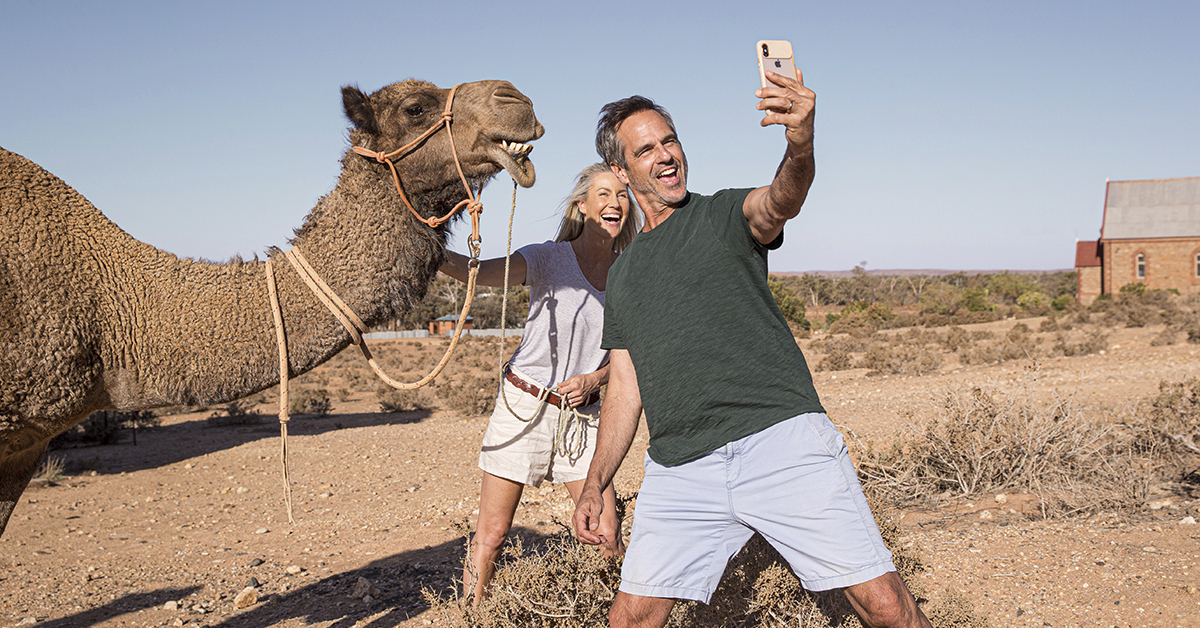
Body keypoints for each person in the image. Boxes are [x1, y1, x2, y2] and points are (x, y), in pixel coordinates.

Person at [571, 72, 932, 628]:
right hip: (680, 464)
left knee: (885, 605)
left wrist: (800, 142)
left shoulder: (723, 215)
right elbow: (624, 386)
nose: (666, 157)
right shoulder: (623, 276)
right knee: (631, 618)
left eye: (671, 141)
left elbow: (781, 200)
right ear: (620, 171)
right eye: (646, 150)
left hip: (780, 440)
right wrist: (595, 483)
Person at [441, 163, 639, 603]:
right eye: (603, 194)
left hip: (584, 418)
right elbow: (481, 272)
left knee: (606, 534)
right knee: (491, 534)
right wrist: (433, 255)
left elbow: (635, 356)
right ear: (582, 205)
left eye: (623, 195)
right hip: (524, 407)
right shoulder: (549, 258)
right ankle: (475, 614)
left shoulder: (631, 275)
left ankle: (615, 614)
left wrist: (597, 377)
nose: (614, 203)